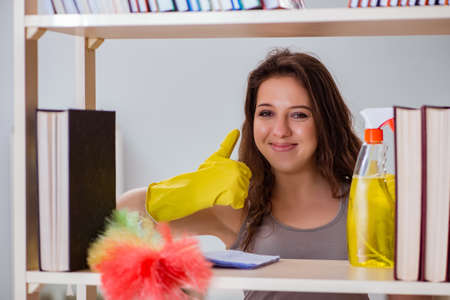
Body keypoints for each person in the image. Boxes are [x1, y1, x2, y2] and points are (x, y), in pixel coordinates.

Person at [117, 49, 429, 300]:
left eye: (299, 115)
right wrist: (187, 189)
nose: (280, 131)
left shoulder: (366, 204)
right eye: (266, 113)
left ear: (324, 122)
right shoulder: (237, 207)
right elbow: (119, 214)